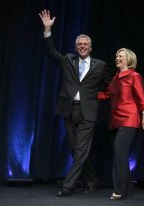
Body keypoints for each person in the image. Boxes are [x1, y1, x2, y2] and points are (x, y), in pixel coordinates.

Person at [39, 10, 111, 197]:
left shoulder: (100, 66)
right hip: (69, 110)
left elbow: (111, 88)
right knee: (75, 150)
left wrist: (100, 97)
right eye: (79, 44)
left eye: (85, 44)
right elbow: (50, 51)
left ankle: (68, 186)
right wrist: (48, 30)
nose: (82, 46)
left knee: (80, 151)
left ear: (90, 47)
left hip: (88, 113)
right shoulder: (68, 60)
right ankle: (92, 180)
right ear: (76, 46)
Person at [98, 48, 144, 200]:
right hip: (115, 121)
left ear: (129, 59)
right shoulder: (115, 78)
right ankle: (128, 189)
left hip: (129, 118)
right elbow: (106, 94)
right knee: (119, 154)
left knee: (120, 153)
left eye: (120, 56)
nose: (117, 58)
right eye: (116, 56)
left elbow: (141, 98)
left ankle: (119, 190)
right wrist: (87, 95)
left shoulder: (134, 76)